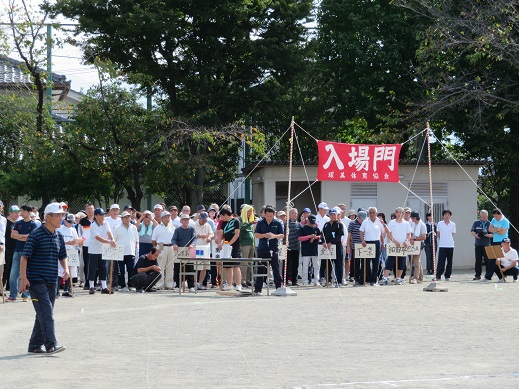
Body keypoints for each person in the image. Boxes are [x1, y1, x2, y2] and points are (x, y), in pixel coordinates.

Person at [20, 203, 69, 354]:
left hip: (52, 281)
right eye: (58, 215)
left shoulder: (58, 235)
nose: (61, 218)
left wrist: (66, 269)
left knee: (42, 313)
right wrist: (24, 279)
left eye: (62, 215)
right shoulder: (36, 234)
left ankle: (34, 345)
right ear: (48, 217)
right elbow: (24, 258)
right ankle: (51, 345)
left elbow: (63, 256)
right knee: (46, 313)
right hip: (36, 281)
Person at [9, 204, 40, 301]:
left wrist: (20, 236)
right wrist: (24, 236)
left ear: (29, 212)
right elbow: (12, 235)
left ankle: (25, 295)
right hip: (17, 251)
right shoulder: (18, 223)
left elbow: (30, 237)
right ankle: (12, 295)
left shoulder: (34, 224)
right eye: (20, 211)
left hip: (27, 252)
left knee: (25, 274)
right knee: (13, 274)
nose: (21, 213)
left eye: (23, 211)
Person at [254, 205, 283, 294]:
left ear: (274, 215)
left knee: (276, 268)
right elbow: (256, 234)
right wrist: (264, 235)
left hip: (273, 247)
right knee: (261, 268)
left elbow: (282, 235)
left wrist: (274, 236)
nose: (269, 218)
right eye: (267, 216)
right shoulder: (260, 222)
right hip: (262, 248)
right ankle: (258, 289)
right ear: (264, 214)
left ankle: (278, 287)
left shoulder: (277, 223)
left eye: (271, 216)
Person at [88, 208, 117, 294]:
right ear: (96, 216)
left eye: (103, 214)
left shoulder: (106, 223)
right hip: (93, 250)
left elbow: (109, 232)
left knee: (103, 268)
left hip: (103, 250)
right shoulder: (93, 225)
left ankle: (104, 287)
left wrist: (113, 239)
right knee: (92, 268)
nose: (103, 216)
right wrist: (109, 242)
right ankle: (91, 286)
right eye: (101, 215)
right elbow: (98, 237)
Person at [381, 207, 412, 285]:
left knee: (401, 262)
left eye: (401, 212)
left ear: (403, 214)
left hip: (402, 246)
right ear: (395, 214)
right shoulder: (392, 222)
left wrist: (406, 241)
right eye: (397, 212)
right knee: (390, 262)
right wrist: (394, 241)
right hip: (393, 246)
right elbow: (388, 233)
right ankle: (385, 278)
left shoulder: (406, 223)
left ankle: (398, 278)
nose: (399, 214)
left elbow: (409, 234)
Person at [217, 205, 242, 291]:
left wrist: (230, 244)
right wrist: (220, 243)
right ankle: (229, 284)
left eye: (222, 216)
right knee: (228, 266)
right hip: (226, 246)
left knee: (236, 265)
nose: (221, 218)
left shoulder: (235, 221)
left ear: (225, 214)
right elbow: (220, 233)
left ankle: (238, 284)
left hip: (235, 246)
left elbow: (237, 234)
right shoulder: (223, 223)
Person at [112, 211, 139, 291]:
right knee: (121, 270)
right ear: (122, 219)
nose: (127, 219)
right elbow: (113, 240)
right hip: (120, 252)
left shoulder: (133, 227)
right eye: (125, 217)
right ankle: (122, 285)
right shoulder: (117, 229)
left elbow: (136, 239)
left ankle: (131, 285)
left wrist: (136, 249)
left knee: (131, 269)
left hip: (131, 251)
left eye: (128, 217)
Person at [58, 213, 83, 297]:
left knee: (72, 271)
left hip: (72, 251)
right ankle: (56, 290)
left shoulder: (73, 229)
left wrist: (79, 242)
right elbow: (58, 241)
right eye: (69, 222)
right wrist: (68, 242)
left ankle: (67, 289)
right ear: (64, 221)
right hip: (63, 251)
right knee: (60, 271)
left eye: (72, 222)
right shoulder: (60, 229)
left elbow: (76, 240)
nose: (70, 224)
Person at [359, 207, 383, 286]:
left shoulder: (379, 222)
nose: (372, 214)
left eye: (373, 213)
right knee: (365, 262)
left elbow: (382, 233)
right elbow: (361, 232)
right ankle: (363, 279)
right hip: (367, 243)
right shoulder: (365, 221)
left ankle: (374, 280)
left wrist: (382, 244)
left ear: (376, 213)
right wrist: (363, 241)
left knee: (376, 263)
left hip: (376, 242)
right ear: (368, 214)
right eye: (370, 213)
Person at [172, 214, 197, 292]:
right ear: (181, 221)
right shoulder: (177, 230)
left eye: (187, 220)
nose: (186, 221)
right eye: (184, 220)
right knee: (177, 267)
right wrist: (174, 244)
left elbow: (195, 239)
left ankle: (191, 286)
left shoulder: (192, 229)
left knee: (190, 267)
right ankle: (177, 285)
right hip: (180, 250)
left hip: (190, 250)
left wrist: (192, 244)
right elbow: (173, 239)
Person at [151, 211, 176, 289]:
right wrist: (157, 248)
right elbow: (153, 240)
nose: (167, 218)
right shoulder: (157, 228)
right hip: (161, 247)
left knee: (170, 266)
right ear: (161, 218)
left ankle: (169, 284)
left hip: (171, 247)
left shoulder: (173, 227)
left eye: (168, 217)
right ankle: (159, 284)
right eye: (165, 217)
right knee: (160, 266)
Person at [322, 208, 345, 286]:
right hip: (328, 247)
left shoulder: (339, 224)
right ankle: (328, 280)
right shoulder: (326, 224)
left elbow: (339, 236)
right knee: (328, 264)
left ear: (337, 215)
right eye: (331, 215)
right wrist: (324, 242)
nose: (332, 216)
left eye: (334, 215)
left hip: (337, 247)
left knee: (338, 264)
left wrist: (331, 242)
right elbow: (322, 235)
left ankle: (339, 281)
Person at [298, 214, 321, 286]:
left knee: (316, 265)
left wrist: (315, 237)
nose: (312, 224)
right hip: (306, 249)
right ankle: (305, 281)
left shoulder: (316, 228)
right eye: (311, 223)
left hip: (314, 249)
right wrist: (308, 237)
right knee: (305, 266)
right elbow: (299, 238)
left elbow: (321, 236)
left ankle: (316, 280)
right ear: (307, 221)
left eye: (313, 223)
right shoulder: (303, 228)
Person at [193, 212, 214, 290]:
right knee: (196, 266)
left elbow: (212, 234)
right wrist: (201, 236)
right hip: (197, 248)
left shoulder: (207, 225)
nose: (204, 221)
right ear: (199, 218)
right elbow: (192, 235)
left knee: (205, 267)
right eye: (203, 220)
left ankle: (200, 283)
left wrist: (209, 237)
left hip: (206, 248)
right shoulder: (194, 224)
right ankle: (195, 282)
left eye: (206, 220)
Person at [470, 210, 492, 280]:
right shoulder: (476, 222)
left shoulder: (490, 224)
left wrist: (486, 235)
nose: (483, 218)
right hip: (478, 244)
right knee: (478, 260)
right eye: (481, 217)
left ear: (487, 216)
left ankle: (487, 275)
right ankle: (477, 275)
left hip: (486, 244)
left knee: (487, 260)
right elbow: (472, 231)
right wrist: (476, 235)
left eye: (484, 217)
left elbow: (492, 235)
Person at [3, 205, 21, 291]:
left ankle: (10, 286)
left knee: (13, 269)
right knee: (5, 268)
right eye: (15, 212)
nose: (17, 214)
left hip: (15, 248)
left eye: (18, 212)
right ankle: (1, 286)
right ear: (10, 213)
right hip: (6, 248)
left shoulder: (17, 223)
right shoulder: (5, 222)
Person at [436, 209, 456, 281]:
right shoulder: (439, 223)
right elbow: (438, 233)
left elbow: (452, 234)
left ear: (450, 216)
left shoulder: (453, 224)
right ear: (443, 215)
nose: (447, 216)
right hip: (442, 245)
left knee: (449, 261)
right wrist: (442, 239)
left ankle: (447, 276)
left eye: (448, 214)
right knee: (441, 261)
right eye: (445, 214)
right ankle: (438, 275)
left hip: (450, 245)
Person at [239, 205, 256, 287]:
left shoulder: (251, 219)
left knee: (250, 263)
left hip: (251, 243)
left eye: (251, 211)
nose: (250, 213)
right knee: (244, 263)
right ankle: (242, 280)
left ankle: (248, 279)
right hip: (244, 243)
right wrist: (250, 223)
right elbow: (241, 228)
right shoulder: (240, 219)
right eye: (248, 211)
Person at [347, 210, 366, 286]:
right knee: (356, 263)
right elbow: (349, 236)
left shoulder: (366, 223)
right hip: (355, 246)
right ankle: (356, 279)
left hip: (364, 246)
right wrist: (348, 246)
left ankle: (363, 278)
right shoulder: (352, 223)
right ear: (358, 217)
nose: (362, 220)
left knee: (364, 263)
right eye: (361, 219)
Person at [409, 211, 426, 284]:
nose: (411, 219)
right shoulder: (412, 224)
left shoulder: (422, 225)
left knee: (416, 261)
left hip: (419, 244)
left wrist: (415, 239)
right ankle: (420, 278)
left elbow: (424, 237)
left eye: (412, 218)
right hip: (413, 244)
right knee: (417, 261)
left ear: (415, 218)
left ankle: (416, 277)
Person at [286, 208, 300, 286]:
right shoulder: (286, 224)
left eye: (295, 213)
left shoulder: (299, 224)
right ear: (289, 215)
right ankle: (286, 280)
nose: (294, 215)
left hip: (296, 247)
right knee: (287, 264)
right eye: (293, 213)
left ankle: (294, 281)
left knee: (295, 265)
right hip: (287, 247)